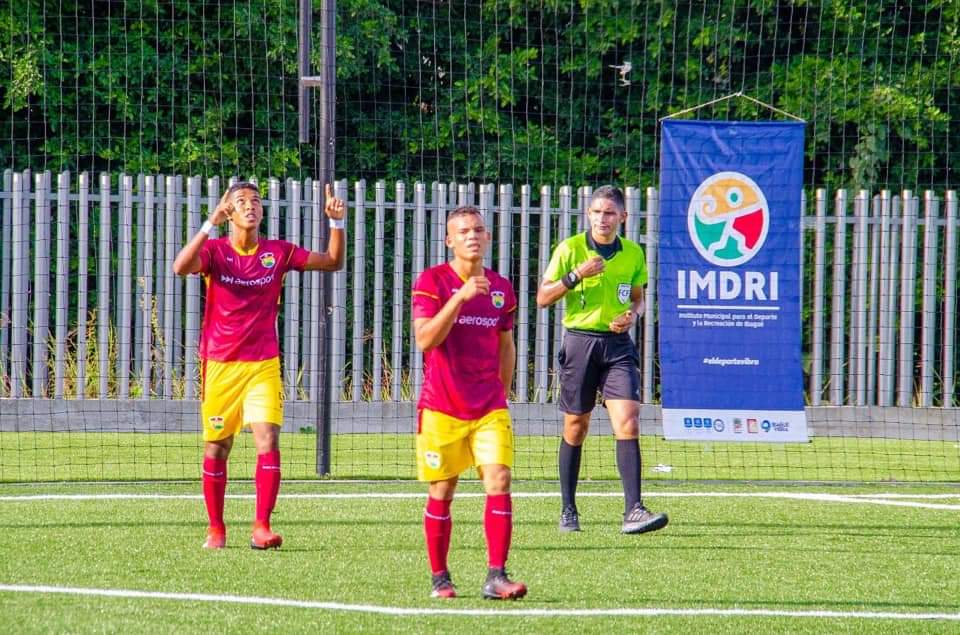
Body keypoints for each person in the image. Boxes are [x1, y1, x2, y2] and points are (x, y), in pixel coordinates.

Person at [173, 181, 345, 550]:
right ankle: (216, 529)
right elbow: (180, 267)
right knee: (218, 447)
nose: (250, 206)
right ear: (229, 212)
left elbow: (332, 261)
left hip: (263, 364)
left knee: (268, 438)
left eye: (256, 201)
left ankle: (262, 527)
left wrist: (336, 224)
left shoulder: (278, 252)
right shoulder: (216, 251)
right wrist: (209, 223)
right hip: (219, 365)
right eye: (241, 202)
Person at [536, 185, 668, 535]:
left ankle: (634, 510)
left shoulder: (633, 254)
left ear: (623, 217)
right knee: (575, 428)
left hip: (618, 346)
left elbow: (637, 298)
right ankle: (568, 509)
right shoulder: (570, 249)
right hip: (580, 343)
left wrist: (632, 316)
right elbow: (542, 297)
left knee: (628, 421)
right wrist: (576, 275)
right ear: (588, 214)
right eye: (596, 212)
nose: (602, 218)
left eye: (610, 213)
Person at [412, 205, 527, 600]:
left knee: (500, 480)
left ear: (488, 238)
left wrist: (502, 391)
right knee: (442, 491)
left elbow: (505, 344)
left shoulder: (502, 288)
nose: (472, 236)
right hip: (441, 407)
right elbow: (425, 339)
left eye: (478, 229)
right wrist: (459, 298)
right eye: (463, 231)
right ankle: (440, 578)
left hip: (489, 407)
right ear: (449, 240)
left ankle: (496, 576)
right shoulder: (432, 282)